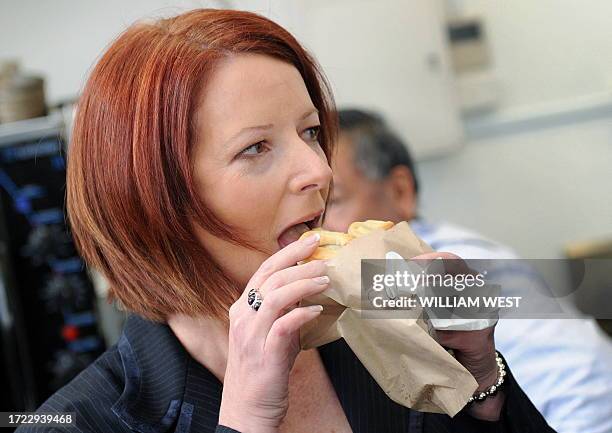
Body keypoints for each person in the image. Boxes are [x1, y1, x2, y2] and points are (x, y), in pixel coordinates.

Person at [17, 9, 555, 433]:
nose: (317, 171)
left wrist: (483, 384)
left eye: (311, 132)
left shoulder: (380, 331)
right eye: (255, 148)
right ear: (156, 200)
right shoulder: (78, 421)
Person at [324, 108, 612, 433]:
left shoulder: (437, 264)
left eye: (331, 201)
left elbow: (576, 385)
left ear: (401, 191)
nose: (320, 226)